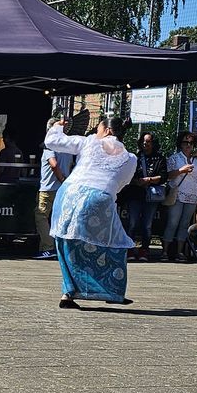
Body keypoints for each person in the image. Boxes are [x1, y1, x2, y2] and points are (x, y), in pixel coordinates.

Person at [41, 115, 137, 307]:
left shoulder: (89, 142)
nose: (95, 132)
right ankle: (111, 291)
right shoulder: (130, 158)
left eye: (98, 129)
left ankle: (68, 294)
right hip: (99, 197)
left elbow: (52, 141)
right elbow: (121, 183)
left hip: (68, 193)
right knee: (114, 244)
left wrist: (59, 126)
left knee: (67, 244)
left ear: (107, 131)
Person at [122, 132, 168, 259]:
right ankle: (130, 249)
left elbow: (164, 176)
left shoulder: (159, 159)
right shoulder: (134, 158)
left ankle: (144, 250)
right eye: (143, 141)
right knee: (132, 223)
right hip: (135, 194)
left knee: (147, 224)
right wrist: (137, 181)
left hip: (152, 196)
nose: (145, 144)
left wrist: (149, 180)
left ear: (153, 143)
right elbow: (128, 175)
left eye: (148, 141)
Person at [34, 114, 73, 259]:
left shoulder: (49, 145)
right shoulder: (68, 145)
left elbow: (53, 164)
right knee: (59, 218)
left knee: (41, 215)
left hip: (49, 187)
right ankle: (59, 248)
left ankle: (48, 248)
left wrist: (61, 178)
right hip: (64, 188)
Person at [161, 131, 197, 262]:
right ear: (180, 144)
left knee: (184, 224)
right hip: (177, 195)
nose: (188, 145)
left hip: (193, 195)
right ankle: (165, 251)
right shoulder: (174, 158)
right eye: (185, 142)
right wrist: (181, 170)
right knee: (172, 223)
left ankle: (180, 252)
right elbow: (167, 175)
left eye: (191, 143)